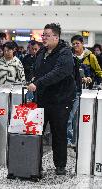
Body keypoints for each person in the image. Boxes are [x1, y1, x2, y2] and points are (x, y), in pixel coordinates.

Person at [27, 23, 75, 175]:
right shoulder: (42, 51)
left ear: (56, 36)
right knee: (37, 133)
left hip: (60, 100)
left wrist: (38, 83)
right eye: (43, 35)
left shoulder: (65, 52)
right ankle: (35, 164)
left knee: (59, 134)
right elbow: (37, 70)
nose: (44, 38)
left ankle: (60, 166)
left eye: (47, 35)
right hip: (42, 99)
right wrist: (33, 78)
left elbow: (59, 72)